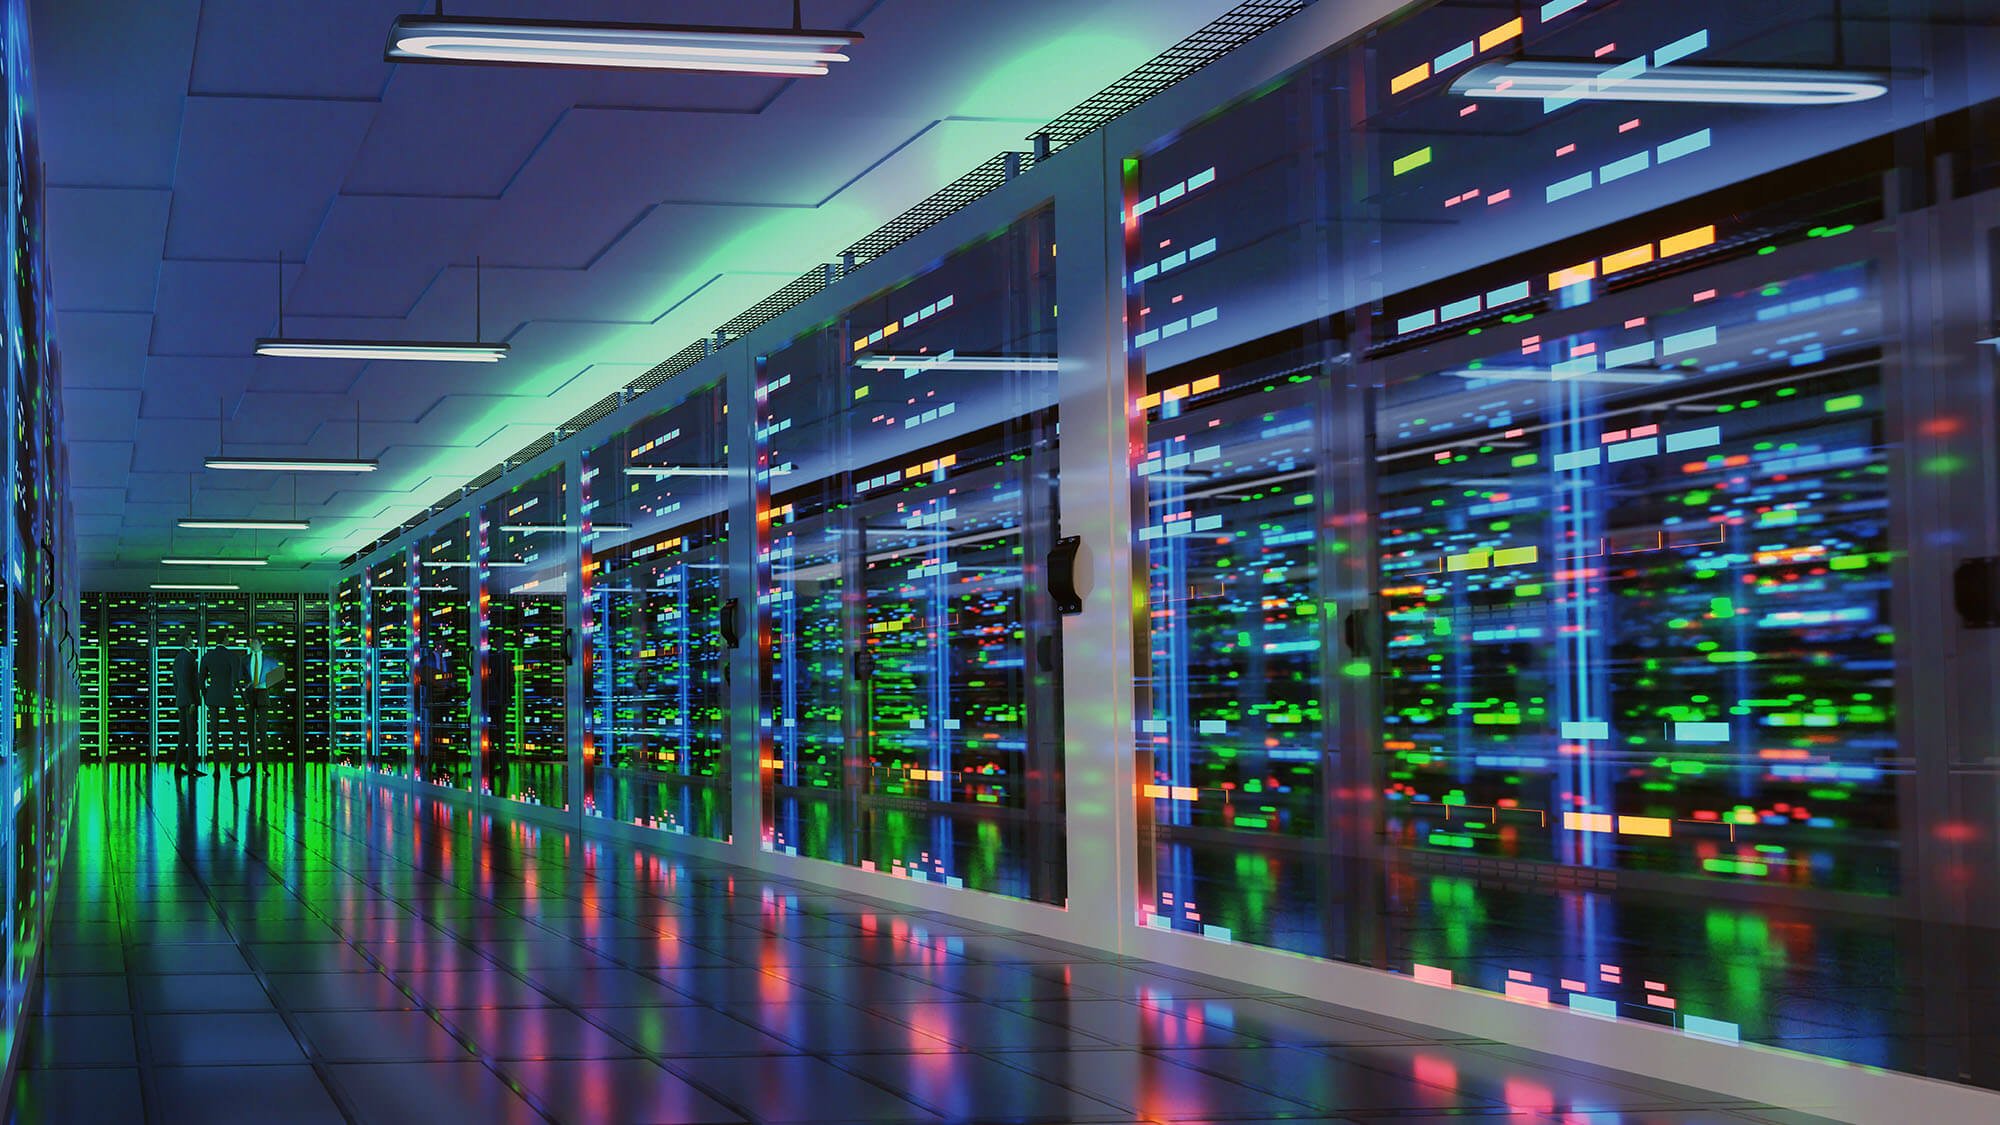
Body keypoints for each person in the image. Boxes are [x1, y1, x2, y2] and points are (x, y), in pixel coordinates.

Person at [199, 643, 244, 777]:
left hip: (212, 697)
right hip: (227, 697)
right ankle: (233, 769)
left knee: (214, 732)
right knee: (236, 732)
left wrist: (206, 696)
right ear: (226, 639)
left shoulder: (207, 656)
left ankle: (216, 769)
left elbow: (201, 680)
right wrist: (244, 699)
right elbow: (236, 680)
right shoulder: (232, 656)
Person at [245, 638, 287, 777]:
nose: (253, 645)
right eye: (251, 643)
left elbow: (281, 676)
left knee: (263, 732)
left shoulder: (270, 660)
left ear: (261, 644)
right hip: (250, 697)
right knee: (250, 732)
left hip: (263, 695)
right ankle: (252, 767)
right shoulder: (245, 659)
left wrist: (266, 684)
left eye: (255, 642)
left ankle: (264, 766)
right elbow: (239, 677)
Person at [172, 645, 204, 776]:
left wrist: (179, 698)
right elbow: (188, 680)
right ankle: (191, 767)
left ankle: (178, 766)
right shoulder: (189, 657)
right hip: (189, 701)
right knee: (191, 735)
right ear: (186, 640)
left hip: (181, 700)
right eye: (191, 638)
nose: (193, 641)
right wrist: (192, 701)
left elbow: (176, 682)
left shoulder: (177, 658)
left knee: (182, 735)